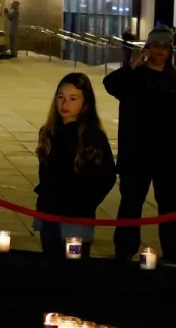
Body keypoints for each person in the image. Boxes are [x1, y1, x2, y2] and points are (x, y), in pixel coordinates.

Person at [102, 27, 176, 264]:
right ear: (148, 48)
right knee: (131, 203)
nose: (160, 51)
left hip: (169, 153)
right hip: (137, 152)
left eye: (165, 47)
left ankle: (173, 247)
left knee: (169, 204)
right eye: (155, 46)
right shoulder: (134, 78)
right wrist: (134, 65)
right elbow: (110, 84)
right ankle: (125, 247)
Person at [34, 73, 116, 257]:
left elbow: (107, 176)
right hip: (49, 213)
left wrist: (85, 202)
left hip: (77, 216)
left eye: (73, 98)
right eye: (61, 97)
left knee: (75, 266)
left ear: (85, 102)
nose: (65, 104)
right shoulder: (48, 132)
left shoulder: (92, 137)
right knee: (50, 260)